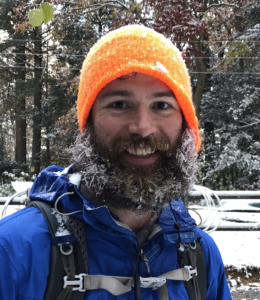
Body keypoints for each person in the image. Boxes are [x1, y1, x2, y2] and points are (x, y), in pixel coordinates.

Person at [0, 25, 231, 300]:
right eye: (120, 104)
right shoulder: (13, 252)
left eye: (162, 105)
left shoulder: (200, 256)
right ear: (88, 123)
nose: (143, 128)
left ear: (185, 125)